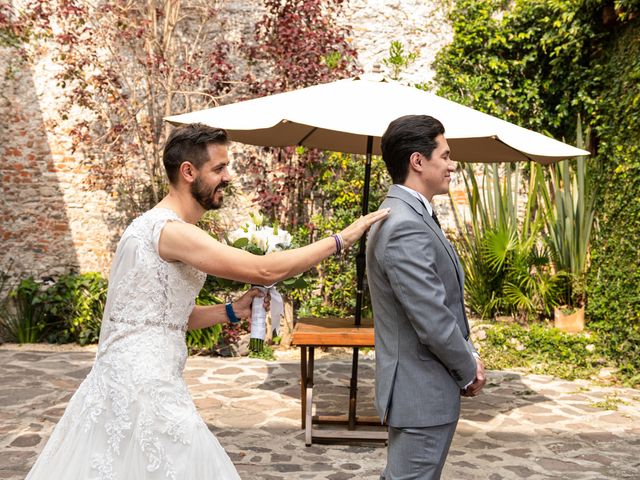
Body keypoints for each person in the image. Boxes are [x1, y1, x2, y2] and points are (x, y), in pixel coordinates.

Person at [25, 123, 389, 479]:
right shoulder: (170, 231)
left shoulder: (153, 227)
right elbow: (263, 271)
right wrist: (342, 238)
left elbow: (165, 317)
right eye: (219, 168)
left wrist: (233, 310)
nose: (228, 176)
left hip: (130, 379)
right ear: (188, 171)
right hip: (145, 387)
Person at [366, 115, 486, 480]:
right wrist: (468, 370)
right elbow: (431, 319)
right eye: (445, 156)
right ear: (418, 161)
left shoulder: (412, 216)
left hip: (423, 393)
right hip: (421, 395)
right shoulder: (405, 225)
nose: (452, 165)